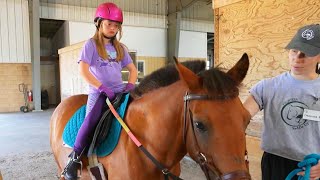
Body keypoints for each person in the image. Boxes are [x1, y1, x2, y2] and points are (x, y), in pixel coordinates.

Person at [61, 2, 137, 179]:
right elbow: (83, 70)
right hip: (99, 92)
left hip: (120, 91)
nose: (113, 28)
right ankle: (75, 158)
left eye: (116, 25)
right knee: (91, 119)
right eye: (109, 24)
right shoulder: (91, 45)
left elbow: (133, 70)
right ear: (99, 23)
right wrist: (101, 87)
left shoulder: (120, 48)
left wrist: (130, 86)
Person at [243, 24, 320, 180]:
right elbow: (240, 116)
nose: (297, 58)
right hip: (274, 162)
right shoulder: (267, 87)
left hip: (312, 167)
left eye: (306, 53)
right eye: (294, 51)